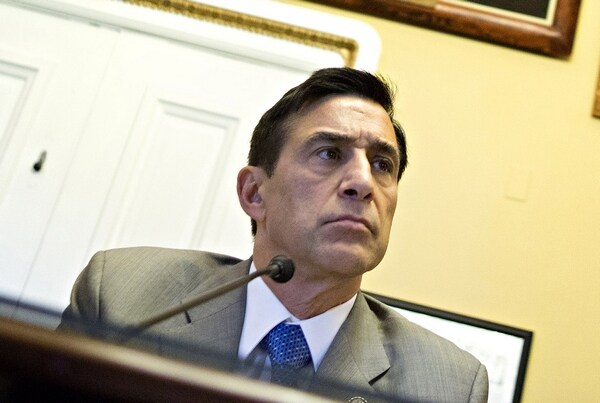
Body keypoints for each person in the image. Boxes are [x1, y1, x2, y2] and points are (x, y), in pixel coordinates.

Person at [59, 67, 488, 402]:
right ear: (254, 193)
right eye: (329, 153)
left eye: (382, 164)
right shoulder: (125, 299)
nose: (362, 182)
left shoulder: (447, 386)